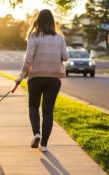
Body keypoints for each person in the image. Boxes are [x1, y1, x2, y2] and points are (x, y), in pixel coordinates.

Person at [16, 9, 69, 152]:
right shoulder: (60, 38)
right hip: (54, 80)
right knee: (48, 112)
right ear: (52, 22)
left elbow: (28, 59)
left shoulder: (34, 36)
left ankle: (36, 133)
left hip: (36, 78)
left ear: (38, 20)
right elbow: (65, 57)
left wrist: (22, 75)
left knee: (33, 106)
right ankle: (44, 145)